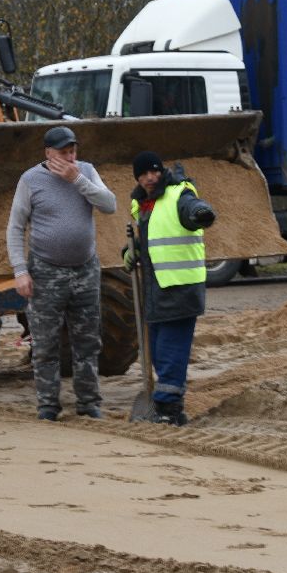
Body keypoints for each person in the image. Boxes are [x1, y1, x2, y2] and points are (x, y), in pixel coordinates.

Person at [7, 125, 118, 421]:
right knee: (45, 343)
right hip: (45, 270)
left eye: (73, 151)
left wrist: (77, 179)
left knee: (88, 341)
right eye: (63, 152)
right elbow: (16, 227)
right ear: (48, 153)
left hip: (85, 270)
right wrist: (20, 270)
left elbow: (110, 205)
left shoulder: (86, 171)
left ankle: (89, 402)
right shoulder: (31, 180)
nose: (70, 157)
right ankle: (47, 405)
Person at [125, 150, 216, 426]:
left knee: (170, 351)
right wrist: (132, 251)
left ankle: (168, 408)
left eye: (153, 172)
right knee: (157, 347)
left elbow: (193, 209)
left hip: (180, 289)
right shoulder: (144, 204)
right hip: (155, 290)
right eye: (142, 174)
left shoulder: (179, 194)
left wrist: (201, 213)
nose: (149, 178)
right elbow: (154, 239)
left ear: (160, 171)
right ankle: (168, 403)